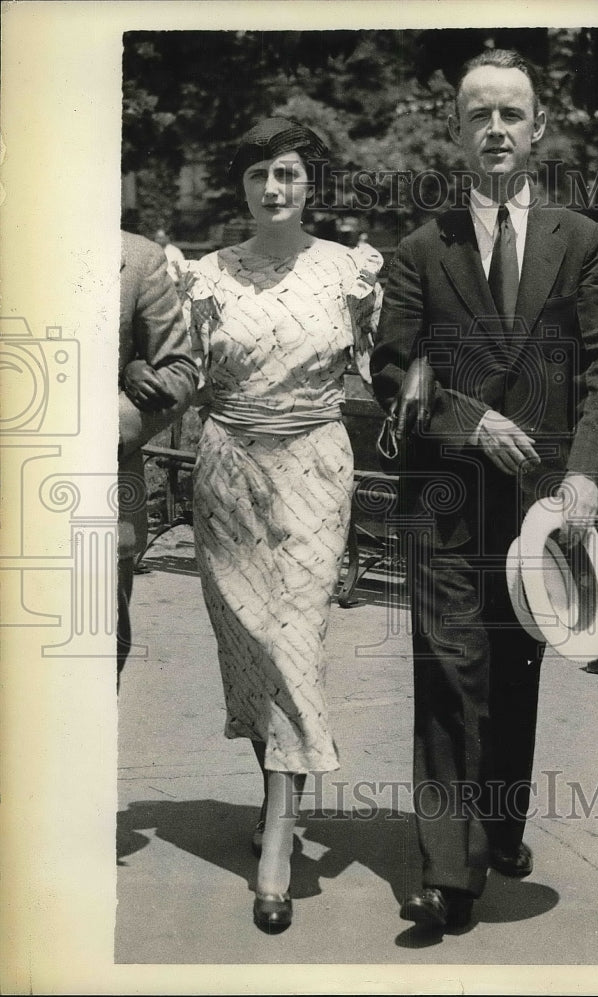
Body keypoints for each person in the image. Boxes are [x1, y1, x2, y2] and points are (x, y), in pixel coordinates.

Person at [370, 48, 598, 930]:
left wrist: (585, 468)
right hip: (443, 498)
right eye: (478, 114)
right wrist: (468, 420)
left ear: (538, 127)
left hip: (544, 502)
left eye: (511, 114)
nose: (496, 130)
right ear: (457, 130)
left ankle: (501, 824)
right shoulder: (418, 248)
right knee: (448, 669)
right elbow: (390, 369)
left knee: (515, 669)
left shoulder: (580, 240)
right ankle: (452, 874)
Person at [180, 117, 382, 933]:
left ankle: (275, 843)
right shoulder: (203, 277)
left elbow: (386, 361)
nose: (274, 187)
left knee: (295, 635)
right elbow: (177, 373)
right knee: (248, 639)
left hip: (316, 466)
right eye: (259, 172)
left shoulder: (349, 272)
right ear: (241, 184)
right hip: (227, 467)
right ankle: (280, 800)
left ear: (312, 185)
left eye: (289, 174)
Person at [118, 230, 199, 690]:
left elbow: (178, 371)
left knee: (94, 654)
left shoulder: (136, 258)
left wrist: (111, 427)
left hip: (97, 493)